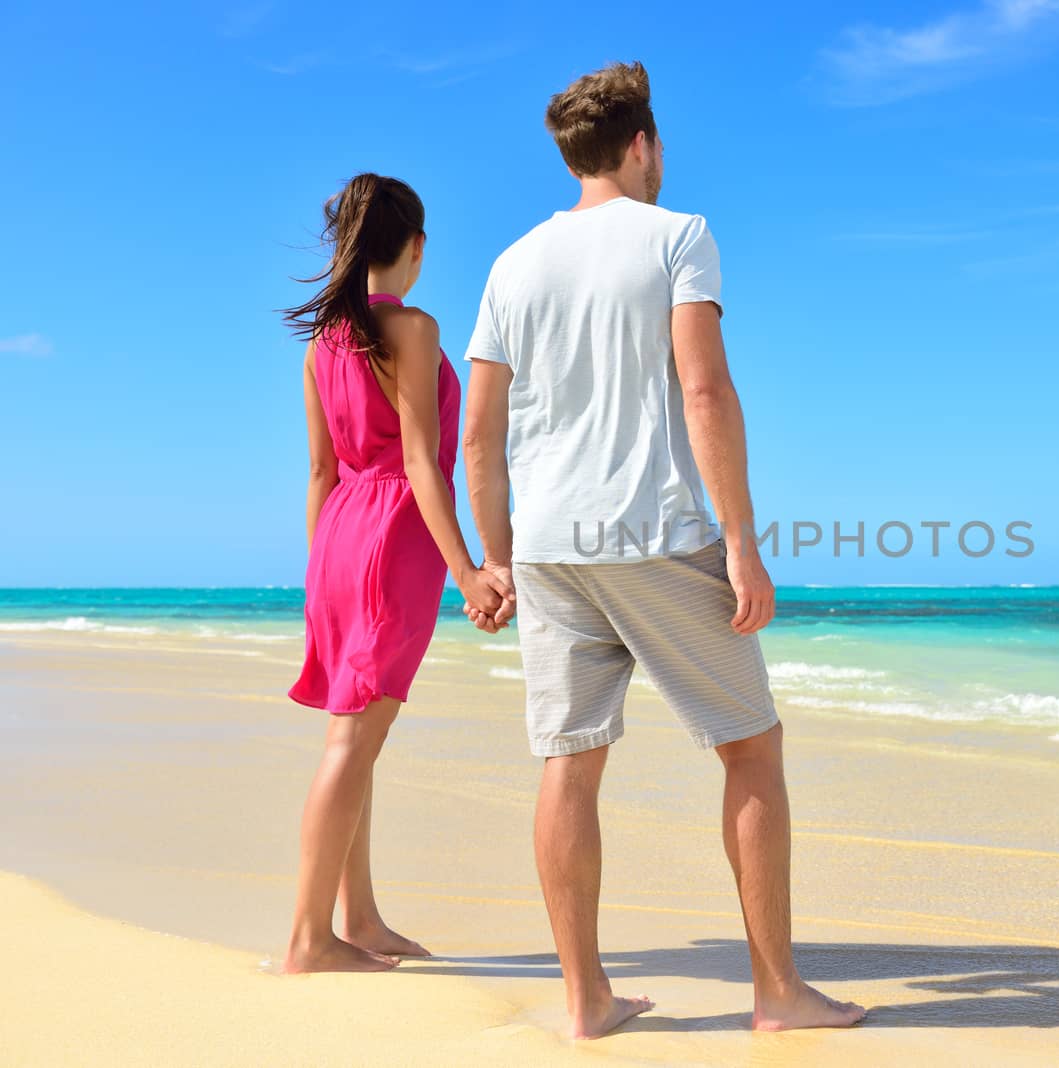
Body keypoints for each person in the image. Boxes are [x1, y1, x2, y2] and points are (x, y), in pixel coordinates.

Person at [460, 62, 868, 1038]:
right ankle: (776, 992)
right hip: (650, 528)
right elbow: (704, 391)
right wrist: (743, 543)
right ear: (642, 146)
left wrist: (497, 556)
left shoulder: (511, 264)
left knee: (568, 760)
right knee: (751, 751)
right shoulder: (678, 235)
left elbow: (477, 435)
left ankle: (586, 1001)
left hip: (552, 540)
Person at [280, 173, 514, 973]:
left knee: (355, 739)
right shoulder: (412, 328)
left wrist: (318, 582)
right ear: (414, 247)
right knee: (353, 741)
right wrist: (470, 571)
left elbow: (319, 472)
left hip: (339, 538)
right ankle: (309, 939)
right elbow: (422, 462)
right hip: (391, 539)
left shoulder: (323, 345)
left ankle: (359, 918)